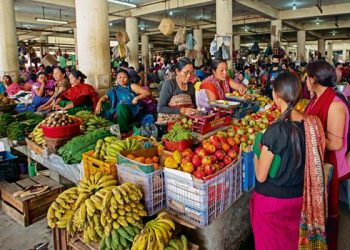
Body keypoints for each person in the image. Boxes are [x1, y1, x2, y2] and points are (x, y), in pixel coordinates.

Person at [251, 72, 328, 250]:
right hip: (300, 201)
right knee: (292, 243)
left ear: (276, 96)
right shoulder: (313, 124)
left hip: (272, 204)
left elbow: (261, 176)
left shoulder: (275, 131)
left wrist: (256, 156)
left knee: (269, 244)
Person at [304, 60, 350, 250]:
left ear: (314, 79)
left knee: (327, 210)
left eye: (307, 77)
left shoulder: (335, 105)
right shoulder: (317, 97)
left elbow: (336, 143)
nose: (305, 81)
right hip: (318, 160)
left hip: (329, 164)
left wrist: (305, 134)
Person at [95, 69, 150, 133]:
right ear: (116, 78)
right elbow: (104, 97)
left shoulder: (132, 86)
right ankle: (108, 122)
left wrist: (137, 98)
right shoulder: (115, 89)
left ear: (128, 78)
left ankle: (123, 130)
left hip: (131, 112)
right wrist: (99, 103)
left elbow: (146, 93)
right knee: (103, 106)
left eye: (124, 77)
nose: (122, 79)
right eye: (120, 77)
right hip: (118, 111)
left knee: (121, 107)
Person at [157, 57, 197, 124]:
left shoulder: (191, 86)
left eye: (191, 72)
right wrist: (182, 110)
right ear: (177, 71)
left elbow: (194, 105)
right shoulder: (169, 84)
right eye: (186, 72)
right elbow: (160, 108)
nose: (189, 75)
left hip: (187, 123)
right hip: (169, 124)